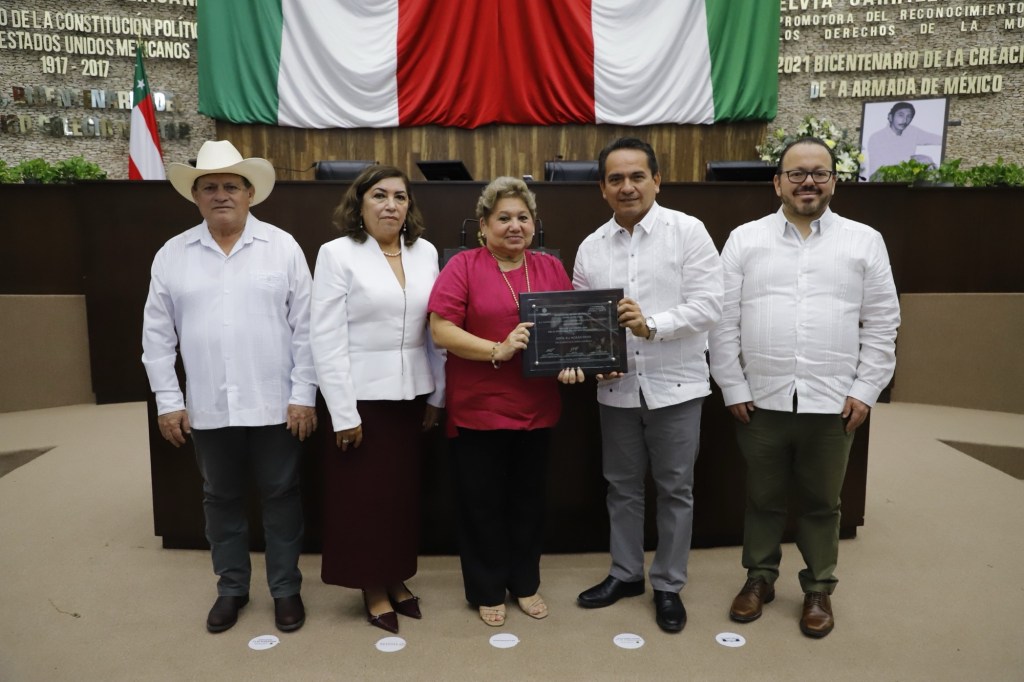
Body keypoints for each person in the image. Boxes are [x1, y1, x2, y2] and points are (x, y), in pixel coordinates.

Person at [709, 136, 900, 638]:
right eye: (796, 173)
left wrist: (865, 389)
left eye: (819, 172)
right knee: (763, 497)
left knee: (822, 502)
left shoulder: (864, 240)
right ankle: (759, 579)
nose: (808, 181)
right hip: (761, 399)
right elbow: (722, 322)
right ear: (777, 182)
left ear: (834, 180)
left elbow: (882, 324)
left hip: (833, 402)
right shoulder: (745, 239)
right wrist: (731, 384)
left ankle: (818, 588)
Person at [142, 140, 317, 633]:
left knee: (282, 495)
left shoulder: (282, 247)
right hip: (209, 406)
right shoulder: (172, 255)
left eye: (231, 186)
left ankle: (286, 590)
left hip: (275, 403)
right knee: (219, 498)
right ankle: (232, 589)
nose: (221, 194)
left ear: (249, 193)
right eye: (210, 187)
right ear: (196, 197)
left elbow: (307, 329)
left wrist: (304, 393)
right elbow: (156, 337)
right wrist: (169, 402)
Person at [572, 137, 723, 633]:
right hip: (616, 390)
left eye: (637, 176)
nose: (627, 186)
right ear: (601, 188)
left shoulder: (689, 232)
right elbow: (581, 321)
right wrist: (591, 359)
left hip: (676, 386)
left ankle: (668, 585)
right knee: (621, 488)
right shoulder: (591, 247)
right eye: (615, 179)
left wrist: (651, 324)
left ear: (657, 180)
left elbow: (709, 306)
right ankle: (625, 573)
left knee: (675, 489)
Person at [427, 176, 583, 627]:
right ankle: (487, 588)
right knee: (482, 505)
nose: (515, 226)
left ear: (534, 224)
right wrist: (497, 348)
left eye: (523, 217)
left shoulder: (550, 267)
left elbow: (568, 329)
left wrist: (571, 362)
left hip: (536, 408)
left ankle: (526, 583)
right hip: (479, 409)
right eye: (504, 218)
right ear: (483, 225)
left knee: (528, 503)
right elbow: (442, 330)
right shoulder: (464, 267)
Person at [309, 165, 445, 634]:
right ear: (359, 204)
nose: (391, 205)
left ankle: (397, 576)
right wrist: (342, 412)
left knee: (401, 497)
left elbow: (436, 328)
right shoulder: (337, 254)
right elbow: (324, 338)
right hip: (360, 398)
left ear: (410, 207)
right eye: (379, 196)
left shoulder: (424, 252)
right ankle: (372, 585)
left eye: (400, 197)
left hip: (412, 394)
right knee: (363, 499)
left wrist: (437, 394)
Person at [865, 102, 943, 179]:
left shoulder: (912, 131)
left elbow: (939, 139)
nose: (905, 120)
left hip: (903, 178)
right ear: (890, 117)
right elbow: (885, 166)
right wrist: (916, 159)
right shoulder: (876, 138)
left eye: (909, 116)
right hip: (879, 179)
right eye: (900, 115)